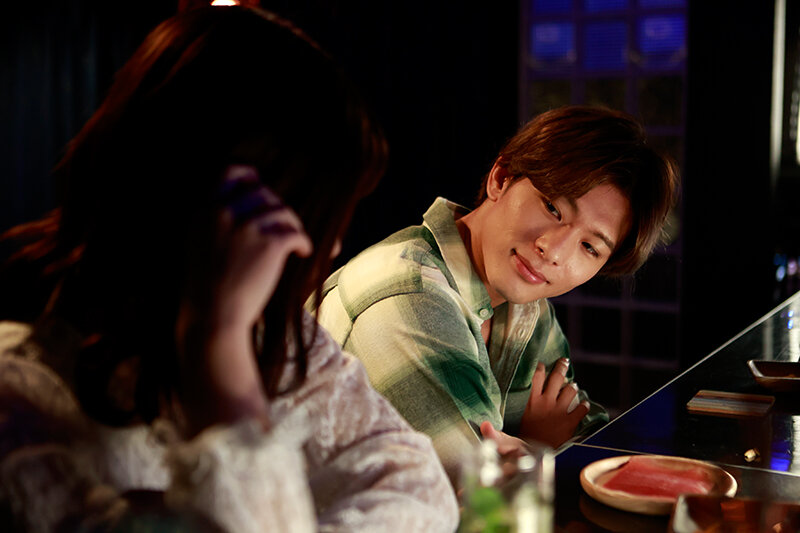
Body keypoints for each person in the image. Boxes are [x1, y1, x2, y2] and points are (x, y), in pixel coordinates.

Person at [0, 5, 459, 532]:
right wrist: (217, 349)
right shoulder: (21, 398)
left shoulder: (274, 337)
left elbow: (421, 489)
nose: (331, 247)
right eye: (312, 218)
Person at [313, 105, 679, 487]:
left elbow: (594, 443)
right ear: (500, 179)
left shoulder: (525, 306)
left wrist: (531, 457)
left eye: (589, 247)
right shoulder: (408, 298)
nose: (554, 251)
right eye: (552, 207)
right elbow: (477, 496)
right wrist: (540, 449)